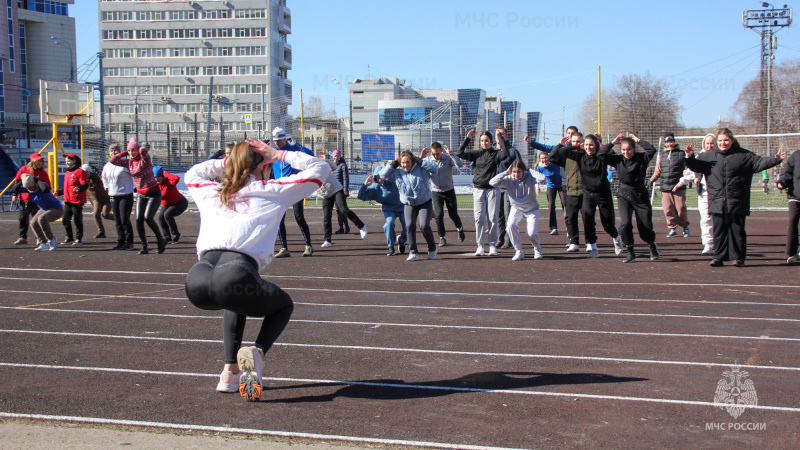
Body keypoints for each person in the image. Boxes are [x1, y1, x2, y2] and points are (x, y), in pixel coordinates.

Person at [184, 139, 331, 402]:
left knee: (235, 299)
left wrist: (228, 162)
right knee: (283, 305)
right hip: (236, 273)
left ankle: (228, 372)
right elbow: (321, 169)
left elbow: (191, 174)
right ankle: (258, 354)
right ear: (264, 166)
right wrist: (279, 154)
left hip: (196, 280)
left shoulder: (212, 191)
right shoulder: (271, 190)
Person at [685, 128, 785, 267]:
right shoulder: (707, 156)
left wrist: (776, 159)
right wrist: (689, 157)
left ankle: (738, 258)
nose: (723, 143)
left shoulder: (744, 155)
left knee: (737, 230)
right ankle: (718, 257)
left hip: (738, 200)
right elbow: (695, 166)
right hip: (717, 200)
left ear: (732, 140)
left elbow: (759, 163)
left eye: (726, 140)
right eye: (720, 140)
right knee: (719, 231)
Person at [550, 134, 623, 258]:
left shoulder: (602, 157)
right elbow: (554, 156)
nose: (588, 147)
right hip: (588, 194)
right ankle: (593, 248)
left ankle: (616, 239)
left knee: (607, 224)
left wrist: (612, 143)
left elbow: (607, 152)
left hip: (603, 194)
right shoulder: (579, 156)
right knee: (588, 220)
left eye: (591, 145)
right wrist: (568, 145)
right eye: (587, 145)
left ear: (596, 145)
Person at [598, 133, 659, 262]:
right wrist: (613, 142)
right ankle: (630, 252)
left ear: (634, 149)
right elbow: (600, 155)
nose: (626, 152)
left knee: (645, 229)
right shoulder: (618, 159)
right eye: (624, 150)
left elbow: (652, 150)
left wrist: (638, 140)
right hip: (624, 195)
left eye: (629, 149)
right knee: (625, 225)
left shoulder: (642, 158)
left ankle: (652, 246)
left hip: (640, 195)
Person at [527, 126, 583, 251]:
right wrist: (531, 143)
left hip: (571, 184)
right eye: (568, 133)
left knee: (570, 210)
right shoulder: (561, 148)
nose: (570, 135)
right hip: (557, 183)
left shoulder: (582, 149)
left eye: (572, 133)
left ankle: (576, 235)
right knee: (553, 205)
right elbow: (545, 149)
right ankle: (555, 228)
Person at [456, 129, 509, 256]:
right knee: (479, 218)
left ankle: (492, 245)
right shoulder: (477, 154)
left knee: (492, 218)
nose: (484, 143)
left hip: (492, 190)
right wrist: (468, 138)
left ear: (491, 142)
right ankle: (480, 246)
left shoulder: (496, 154)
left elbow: (506, 153)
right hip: (478, 189)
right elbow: (459, 153)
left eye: (486, 141)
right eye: (482, 141)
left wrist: (500, 137)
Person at [110, 137, 166, 255]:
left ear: (137, 149)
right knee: (138, 219)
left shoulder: (145, 160)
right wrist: (124, 152)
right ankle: (143, 245)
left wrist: (138, 148)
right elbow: (112, 160)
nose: (131, 153)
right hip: (141, 194)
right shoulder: (128, 162)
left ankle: (160, 240)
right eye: (129, 151)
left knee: (148, 218)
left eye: (133, 150)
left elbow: (144, 151)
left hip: (153, 193)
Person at [380, 150, 439, 261]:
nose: (405, 165)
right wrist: (393, 164)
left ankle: (432, 248)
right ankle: (413, 252)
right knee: (409, 226)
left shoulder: (421, 168)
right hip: (408, 203)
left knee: (424, 226)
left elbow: (435, 169)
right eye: (403, 163)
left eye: (408, 162)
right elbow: (382, 175)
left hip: (424, 201)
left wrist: (421, 162)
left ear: (412, 162)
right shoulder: (397, 172)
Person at [272, 127, 315, 258]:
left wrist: (297, 144)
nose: (276, 143)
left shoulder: (294, 150)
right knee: (279, 218)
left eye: (279, 140)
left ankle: (309, 245)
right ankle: (284, 248)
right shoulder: (274, 153)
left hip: (295, 188)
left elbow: (310, 154)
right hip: (280, 189)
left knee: (299, 216)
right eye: (275, 140)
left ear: (284, 138)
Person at [489, 160, 542, 261]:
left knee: (531, 233)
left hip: (531, 209)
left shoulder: (529, 177)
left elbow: (542, 178)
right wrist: (506, 173)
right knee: (510, 226)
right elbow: (492, 183)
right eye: (514, 172)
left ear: (523, 171)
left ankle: (537, 247)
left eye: (518, 172)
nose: (516, 174)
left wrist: (529, 169)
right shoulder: (508, 179)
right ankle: (518, 251)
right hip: (517, 208)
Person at [317, 152, 367, 248]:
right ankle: (327, 240)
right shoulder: (305, 174)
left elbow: (334, 168)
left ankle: (361, 226)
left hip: (336, 189)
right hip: (326, 194)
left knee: (343, 209)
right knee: (326, 216)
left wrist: (326, 160)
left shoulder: (320, 165)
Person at [421, 142, 465, 246]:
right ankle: (442, 237)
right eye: (434, 154)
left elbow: (460, 164)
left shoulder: (447, 158)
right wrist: (421, 156)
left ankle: (460, 229)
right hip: (436, 192)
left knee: (453, 214)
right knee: (438, 215)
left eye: (437, 153)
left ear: (441, 150)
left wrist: (451, 154)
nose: (436, 156)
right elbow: (416, 164)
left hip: (449, 190)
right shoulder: (428, 160)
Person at [358, 166, 407, 256]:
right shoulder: (375, 187)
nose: (380, 179)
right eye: (377, 177)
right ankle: (391, 247)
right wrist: (364, 185)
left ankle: (402, 240)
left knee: (408, 225)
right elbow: (361, 196)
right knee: (389, 223)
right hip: (388, 208)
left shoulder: (394, 181)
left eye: (382, 177)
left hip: (402, 206)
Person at [650, 133, 691, 238]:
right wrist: (651, 180)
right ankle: (672, 228)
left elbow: (687, 168)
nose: (669, 144)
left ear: (674, 142)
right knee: (668, 209)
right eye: (667, 142)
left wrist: (687, 175)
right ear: (665, 143)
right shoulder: (662, 155)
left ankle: (685, 227)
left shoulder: (681, 154)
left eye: (671, 141)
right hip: (665, 187)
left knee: (681, 208)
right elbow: (657, 171)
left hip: (678, 186)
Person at [10, 174, 62, 251]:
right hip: (44, 209)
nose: (30, 189)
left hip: (56, 208)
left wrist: (36, 180)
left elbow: (46, 190)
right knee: (33, 223)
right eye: (28, 187)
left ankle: (51, 239)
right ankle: (43, 242)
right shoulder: (27, 189)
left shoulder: (41, 186)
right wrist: (23, 182)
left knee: (42, 218)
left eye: (31, 186)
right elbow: (13, 190)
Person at [11, 153, 51, 245]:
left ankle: (39, 238)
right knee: (22, 219)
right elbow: (17, 182)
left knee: (36, 220)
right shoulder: (24, 169)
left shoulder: (43, 173)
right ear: (32, 161)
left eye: (41, 161)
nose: (40, 163)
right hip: (24, 198)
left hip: (36, 200)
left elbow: (47, 186)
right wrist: (15, 194)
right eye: (38, 161)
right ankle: (22, 237)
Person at [102, 144, 136, 250]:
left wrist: (134, 187)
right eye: (111, 151)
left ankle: (129, 241)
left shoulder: (126, 163)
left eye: (115, 151)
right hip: (113, 194)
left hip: (125, 194)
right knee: (117, 220)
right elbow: (104, 176)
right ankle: (121, 240)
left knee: (124, 218)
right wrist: (106, 186)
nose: (113, 153)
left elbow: (135, 175)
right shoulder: (107, 165)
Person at [495, 127, 521, 249]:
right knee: (498, 214)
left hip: (508, 187)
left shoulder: (512, 151)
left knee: (507, 213)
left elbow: (519, 168)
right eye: (496, 134)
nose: (498, 137)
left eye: (501, 134)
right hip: (496, 187)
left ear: (506, 136)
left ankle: (508, 239)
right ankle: (500, 237)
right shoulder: (493, 152)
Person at [59, 153, 89, 246]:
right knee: (65, 219)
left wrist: (79, 188)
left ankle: (78, 238)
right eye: (66, 161)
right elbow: (66, 187)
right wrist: (58, 192)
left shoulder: (80, 172)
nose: (67, 163)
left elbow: (85, 184)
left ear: (74, 161)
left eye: (69, 161)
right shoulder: (68, 172)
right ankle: (69, 237)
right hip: (68, 199)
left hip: (77, 200)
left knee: (77, 219)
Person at [153, 165, 188, 244]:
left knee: (167, 215)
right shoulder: (155, 184)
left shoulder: (169, 182)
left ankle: (176, 235)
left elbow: (176, 178)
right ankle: (167, 237)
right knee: (160, 217)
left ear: (162, 176)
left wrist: (165, 173)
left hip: (180, 203)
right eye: (155, 177)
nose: (157, 179)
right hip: (167, 204)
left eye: (159, 177)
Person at [534, 151, 566, 236]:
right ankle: (553, 227)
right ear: (540, 159)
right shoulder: (539, 167)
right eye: (542, 158)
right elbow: (537, 178)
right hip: (550, 186)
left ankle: (568, 225)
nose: (544, 159)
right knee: (551, 205)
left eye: (545, 157)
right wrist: (537, 187)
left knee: (565, 204)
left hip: (561, 185)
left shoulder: (554, 163)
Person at [777, 150, 799, 263]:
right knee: (793, 221)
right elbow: (787, 173)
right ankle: (792, 253)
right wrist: (782, 182)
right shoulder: (796, 156)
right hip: (796, 196)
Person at [695, 133, 716, 255]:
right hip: (704, 192)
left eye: (712, 143)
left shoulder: (720, 156)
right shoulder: (700, 156)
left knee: (719, 218)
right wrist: (681, 182)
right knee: (705, 218)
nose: (710, 145)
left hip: (718, 192)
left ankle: (719, 242)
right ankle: (708, 244)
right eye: (707, 143)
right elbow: (690, 171)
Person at [82, 164, 114, 239]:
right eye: (84, 172)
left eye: (87, 172)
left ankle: (120, 220)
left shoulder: (95, 177)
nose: (86, 174)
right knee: (96, 214)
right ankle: (101, 232)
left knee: (105, 214)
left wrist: (98, 172)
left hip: (106, 198)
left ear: (89, 172)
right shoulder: (83, 179)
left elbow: (101, 177)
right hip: (97, 200)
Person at [332, 149, 352, 234]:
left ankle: (347, 226)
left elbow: (345, 178)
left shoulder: (342, 165)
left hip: (340, 190)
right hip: (333, 190)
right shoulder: (331, 165)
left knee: (343, 209)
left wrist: (345, 190)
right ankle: (341, 227)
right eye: (335, 156)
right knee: (337, 210)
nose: (336, 157)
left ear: (340, 157)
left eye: (337, 156)